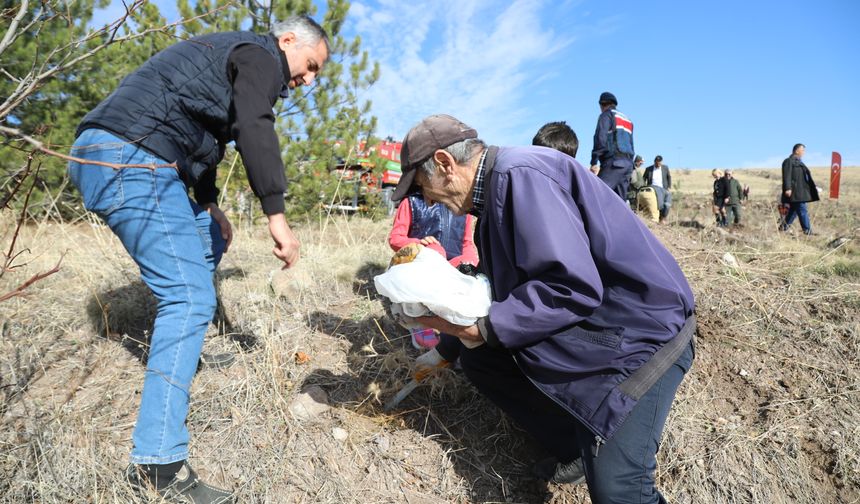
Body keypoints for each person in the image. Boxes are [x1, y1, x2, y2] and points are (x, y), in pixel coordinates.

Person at [67, 16, 329, 503]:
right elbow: (254, 124)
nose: (309, 79)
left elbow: (206, 144)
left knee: (209, 233)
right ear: (289, 40)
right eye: (311, 65)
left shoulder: (229, 59)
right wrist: (277, 214)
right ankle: (157, 465)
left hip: (123, 154)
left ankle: (185, 348)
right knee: (189, 298)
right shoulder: (259, 55)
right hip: (129, 157)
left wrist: (208, 203)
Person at [391, 114, 695, 503]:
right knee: (482, 359)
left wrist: (484, 329)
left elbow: (571, 286)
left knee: (620, 492)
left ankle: (599, 444)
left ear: (446, 164)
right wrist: (450, 344)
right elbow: (495, 291)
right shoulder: (492, 201)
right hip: (596, 326)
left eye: (423, 188)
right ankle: (576, 445)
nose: (429, 202)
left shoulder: (524, 176)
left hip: (639, 334)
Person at [388, 193, 479, 352]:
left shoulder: (463, 207)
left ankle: (451, 324)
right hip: (420, 263)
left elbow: (466, 243)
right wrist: (418, 243)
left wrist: (469, 261)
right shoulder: (412, 202)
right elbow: (395, 238)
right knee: (434, 254)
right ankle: (420, 320)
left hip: (450, 267)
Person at [589, 92, 636, 199]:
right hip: (628, 165)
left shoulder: (607, 115)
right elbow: (631, 144)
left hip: (614, 163)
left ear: (602, 104)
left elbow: (600, 138)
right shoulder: (627, 119)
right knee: (619, 203)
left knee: (596, 196)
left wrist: (594, 161)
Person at [780, 143, 819, 235]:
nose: (804, 152)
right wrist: (788, 188)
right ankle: (808, 231)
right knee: (802, 210)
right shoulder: (789, 161)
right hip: (795, 192)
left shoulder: (800, 163)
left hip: (800, 192)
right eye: (803, 150)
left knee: (793, 212)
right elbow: (786, 175)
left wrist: (813, 187)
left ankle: (783, 228)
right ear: (797, 150)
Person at [644, 155, 673, 222]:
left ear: (661, 162)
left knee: (665, 204)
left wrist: (669, 186)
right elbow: (644, 178)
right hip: (652, 189)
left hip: (663, 188)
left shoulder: (665, 168)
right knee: (657, 204)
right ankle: (656, 218)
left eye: (659, 163)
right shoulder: (649, 169)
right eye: (656, 163)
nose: (658, 164)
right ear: (654, 162)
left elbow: (669, 177)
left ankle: (662, 217)